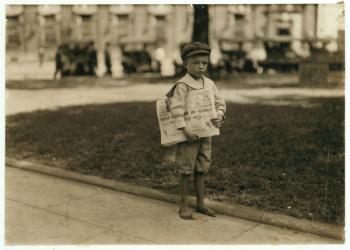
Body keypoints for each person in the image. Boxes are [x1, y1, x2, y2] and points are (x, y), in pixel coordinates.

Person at [167, 41, 226, 220]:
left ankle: (201, 204)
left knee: (202, 167)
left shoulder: (209, 83)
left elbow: (219, 102)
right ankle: (183, 206)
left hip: (206, 133)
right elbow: (176, 109)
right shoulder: (182, 85)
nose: (201, 66)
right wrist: (184, 129)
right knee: (186, 169)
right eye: (196, 63)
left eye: (205, 63)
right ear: (186, 64)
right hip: (188, 135)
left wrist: (220, 114)